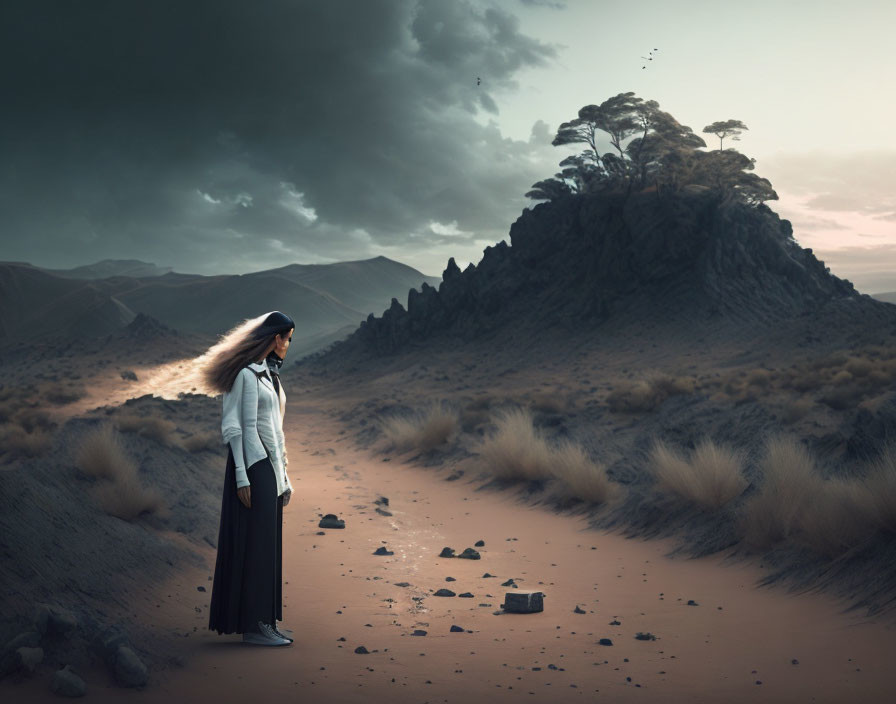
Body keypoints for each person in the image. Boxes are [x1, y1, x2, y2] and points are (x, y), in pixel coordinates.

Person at [201, 311, 296, 646]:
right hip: (253, 467)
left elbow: (277, 432)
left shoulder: (270, 376)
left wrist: (285, 476)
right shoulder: (245, 376)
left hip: (270, 470)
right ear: (274, 338)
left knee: (268, 545)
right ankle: (254, 628)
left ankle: (265, 622)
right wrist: (242, 476)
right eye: (287, 337)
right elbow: (234, 427)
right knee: (257, 546)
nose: (288, 344)